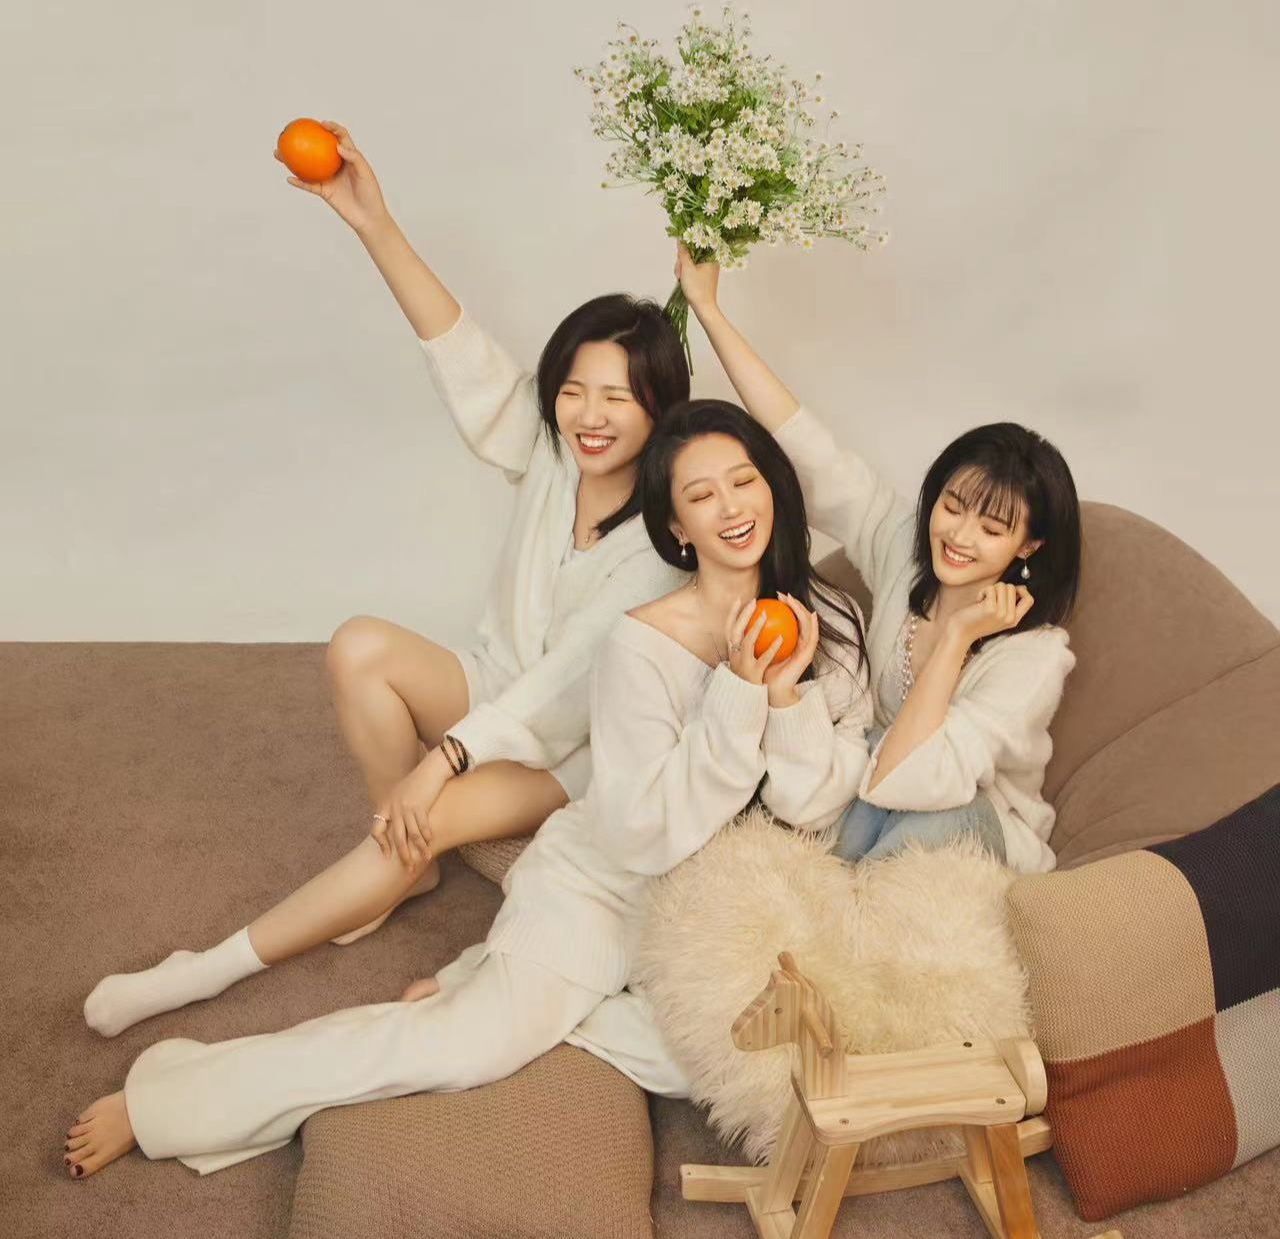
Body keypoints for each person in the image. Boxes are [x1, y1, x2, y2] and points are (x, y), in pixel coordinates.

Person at [62, 399, 873, 1179]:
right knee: (468, 1049)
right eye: (701, 494)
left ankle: (493, 989)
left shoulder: (831, 620)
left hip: (723, 913)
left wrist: (784, 700)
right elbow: (641, 834)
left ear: (773, 486)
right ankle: (167, 1101)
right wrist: (736, 694)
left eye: (744, 481)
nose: (731, 507)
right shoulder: (640, 645)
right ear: (676, 527)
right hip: (611, 888)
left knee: (746, 1059)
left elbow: (817, 809)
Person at [80, 123, 691, 1044]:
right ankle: (411, 866)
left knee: (420, 814)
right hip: (493, 685)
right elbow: (460, 349)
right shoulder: (552, 453)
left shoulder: (658, 547)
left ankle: (204, 971)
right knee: (358, 645)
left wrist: (437, 768)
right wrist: (371, 222)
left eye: (618, 396)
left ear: (661, 406)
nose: (590, 415)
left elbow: (557, 697)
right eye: (575, 390)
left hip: (563, 754)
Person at [674, 244, 1082, 873]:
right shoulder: (902, 549)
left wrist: (957, 638)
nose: (960, 536)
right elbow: (806, 448)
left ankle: (836, 921)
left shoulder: (1036, 656)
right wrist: (708, 309)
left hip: (970, 827)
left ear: (1028, 546)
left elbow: (909, 778)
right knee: (789, 805)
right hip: (869, 798)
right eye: (952, 506)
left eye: (992, 527)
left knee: (927, 816)